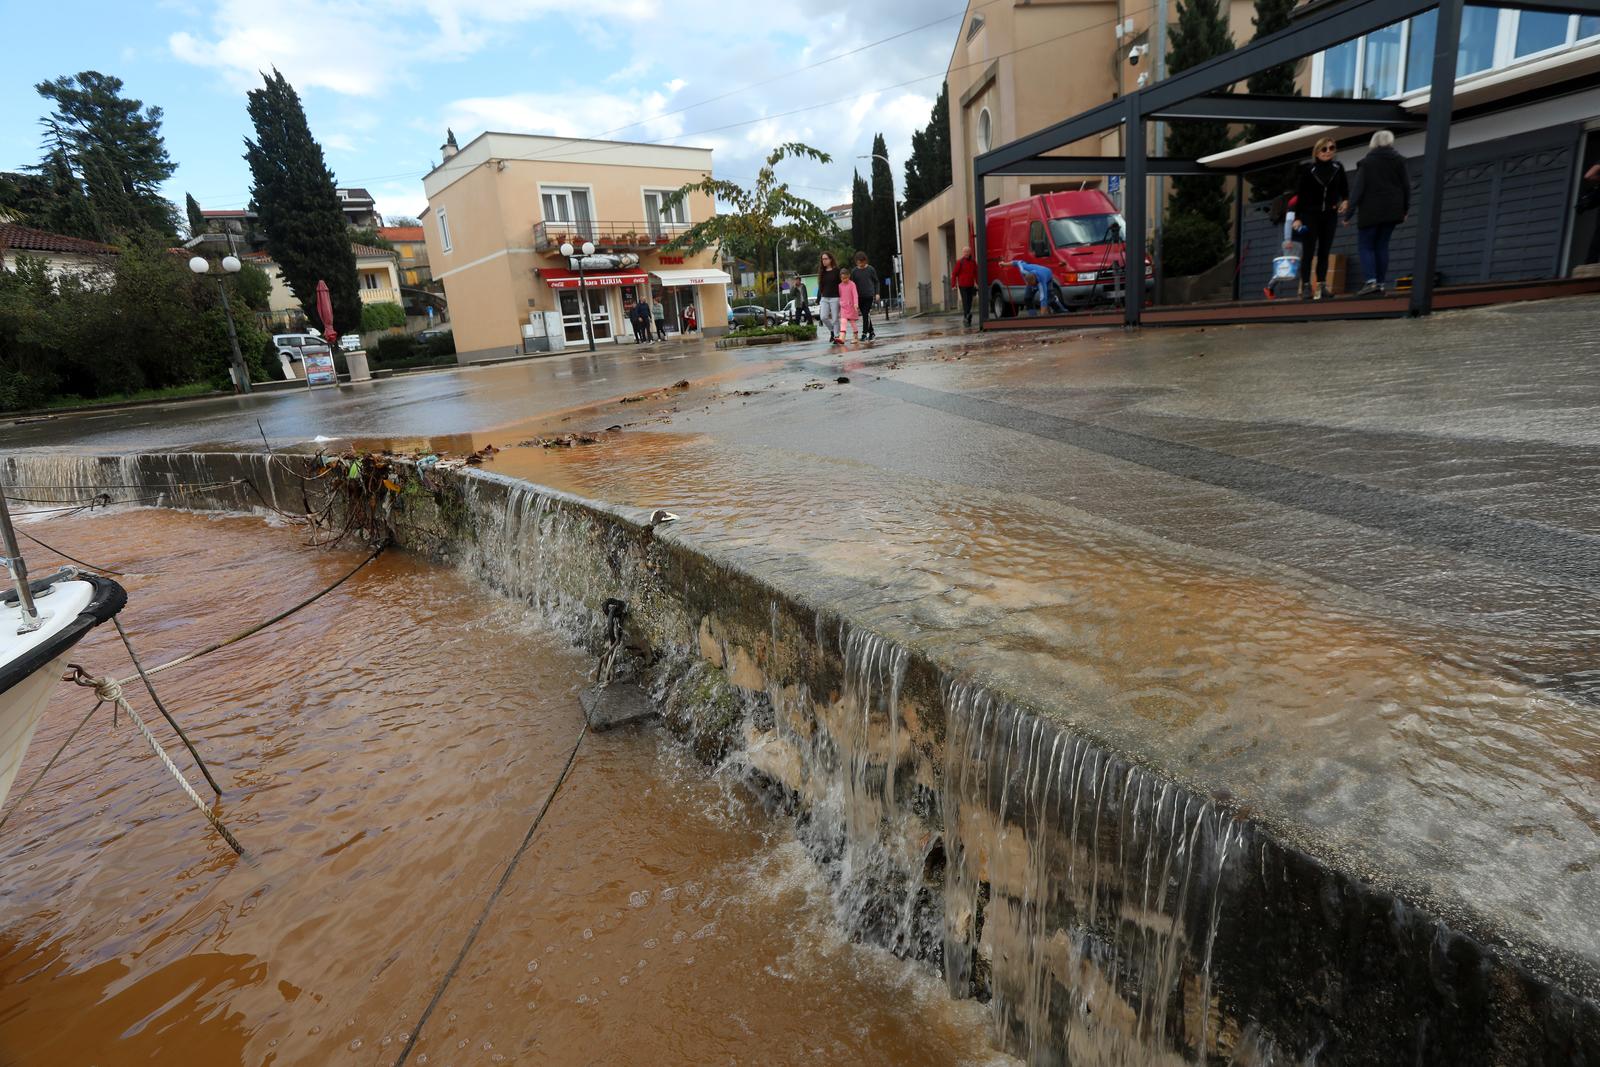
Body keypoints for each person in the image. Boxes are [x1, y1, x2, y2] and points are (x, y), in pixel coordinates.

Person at [1345, 129, 1410, 296]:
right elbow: (1406, 187)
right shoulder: (1399, 161)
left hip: (1371, 211)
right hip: (1393, 210)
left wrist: (1348, 214)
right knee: (1382, 246)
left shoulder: (1367, 163)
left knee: (1366, 246)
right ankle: (1380, 283)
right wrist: (1405, 209)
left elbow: (1358, 190)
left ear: (1373, 143)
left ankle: (1371, 282)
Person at [1294, 138, 1349, 300]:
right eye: (1324, 149)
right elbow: (1300, 195)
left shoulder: (1338, 168)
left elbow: (1344, 189)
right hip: (1310, 215)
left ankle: (1321, 286)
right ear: (1317, 152)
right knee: (1309, 251)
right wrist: (1297, 217)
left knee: (1324, 251)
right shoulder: (1308, 170)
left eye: (1332, 148)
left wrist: (1345, 201)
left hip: (1329, 215)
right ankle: (1306, 286)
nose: (1328, 151)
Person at [851, 251, 880, 340]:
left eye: (862, 262)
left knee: (865, 314)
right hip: (859, 297)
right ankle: (871, 332)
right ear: (856, 262)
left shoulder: (871, 269)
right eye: (859, 262)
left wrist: (877, 293)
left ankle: (864, 334)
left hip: (869, 296)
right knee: (866, 315)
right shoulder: (854, 271)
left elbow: (876, 282)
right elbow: (852, 285)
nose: (861, 264)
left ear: (865, 260)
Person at [817, 252, 842, 343]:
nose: (824, 261)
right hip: (824, 298)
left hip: (835, 298)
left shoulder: (837, 271)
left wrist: (843, 297)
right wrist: (818, 298)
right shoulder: (822, 272)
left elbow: (841, 285)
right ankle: (832, 331)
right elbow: (820, 286)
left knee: (835, 319)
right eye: (822, 259)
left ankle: (836, 336)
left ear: (830, 259)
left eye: (825, 259)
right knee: (823, 317)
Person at [952, 246, 979, 326]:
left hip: (971, 284)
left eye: (967, 252)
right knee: (965, 301)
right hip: (962, 285)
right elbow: (954, 274)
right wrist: (953, 285)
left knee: (969, 301)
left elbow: (976, 273)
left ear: (970, 252)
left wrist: (977, 283)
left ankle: (966, 316)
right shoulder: (960, 262)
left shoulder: (973, 262)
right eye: (965, 252)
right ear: (963, 253)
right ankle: (967, 315)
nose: (966, 253)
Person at [837, 266, 861, 343]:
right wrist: (840, 303)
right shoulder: (839, 286)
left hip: (851, 306)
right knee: (843, 321)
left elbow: (855, 294)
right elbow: (839, 296)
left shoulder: (852, 284)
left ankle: (855, 337)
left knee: (852, 322)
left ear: (849, 276)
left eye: (846, 278)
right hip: (843, 307)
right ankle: (842, 338)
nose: (844, 280)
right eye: (842, 278)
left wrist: (856, 303)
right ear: (840, 278)